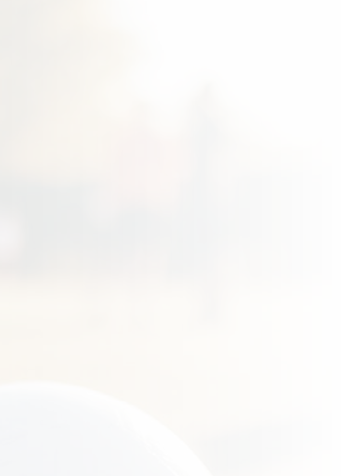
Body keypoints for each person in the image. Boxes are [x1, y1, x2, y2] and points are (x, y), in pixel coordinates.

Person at [89, 101, 183, 326]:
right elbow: (113, 171)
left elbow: (173, 171)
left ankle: (145, 307)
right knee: (122, 256)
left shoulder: (162, 140)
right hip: (129, 203)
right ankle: (110, 306)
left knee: (151, 256)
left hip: (153, 204)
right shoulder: (125, 139)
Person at [183, 82, 239, 324]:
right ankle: (206, 305)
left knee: (216, 254)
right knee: (202, 255)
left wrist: (218, 195)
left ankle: (217, 304)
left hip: (210, 202)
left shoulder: (213, 126)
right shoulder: (195, 127)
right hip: (198, 201)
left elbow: (221, 163)